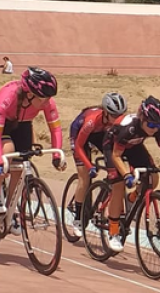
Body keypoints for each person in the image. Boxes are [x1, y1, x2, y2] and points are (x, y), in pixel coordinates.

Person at [0, 67, 66, 235]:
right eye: (42, 98)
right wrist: (1, 160)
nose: (46, 102)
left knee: (22, 166)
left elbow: (55, 129)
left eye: (49, 98)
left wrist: (57, 155)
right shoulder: (8, 96)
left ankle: (10, 210)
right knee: (8, 151)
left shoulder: (47, 102)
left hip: (22, 121)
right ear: (29, 93)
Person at [102, 95, 160, 253]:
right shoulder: (129, 128)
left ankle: (132, 198)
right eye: (152, 124)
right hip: (113, 147)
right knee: (119, 186)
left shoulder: (157, 129)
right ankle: (113, 231)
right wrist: (127, 175)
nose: (155, 128)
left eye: (159, 125)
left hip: (134, 146)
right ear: (142, 118)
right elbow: (116, 156)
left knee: (153, 179)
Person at [66, 92, 128, 237]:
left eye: (120, 115)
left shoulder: (118, 122)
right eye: (114, 115)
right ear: (105, 112)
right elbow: (80, 146)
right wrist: (89, 166)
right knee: (85, 177)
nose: (117, 119)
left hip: (101, 134)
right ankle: (78, 220)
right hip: (80, 134)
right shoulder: (91, 121)